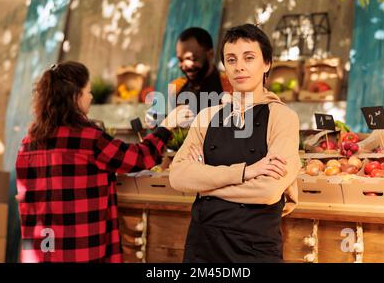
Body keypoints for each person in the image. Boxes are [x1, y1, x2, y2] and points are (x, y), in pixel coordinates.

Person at [15, 61, 192, 263]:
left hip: (40, 253)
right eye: (88, 91)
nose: (91, 97)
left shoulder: (27, 144)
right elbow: (139, 157)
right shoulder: (89, 139)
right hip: (81, 252)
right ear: (75, 97)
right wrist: (167, 126)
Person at [169, 24, 301, 263]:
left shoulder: (282, 117)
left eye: (249, 58)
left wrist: (204, 185)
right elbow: (177, 176)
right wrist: (246, 172)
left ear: (267, 64)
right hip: (203, 247)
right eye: (231, 59)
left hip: (254, 250)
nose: (239, 66)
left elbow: (269, 190)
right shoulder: (207, 117)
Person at [171, 27, 233, 112]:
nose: (185, 65)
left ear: (210, 55)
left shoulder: (229, 85)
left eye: (192, 59)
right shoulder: (177, 87)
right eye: (180, 60)